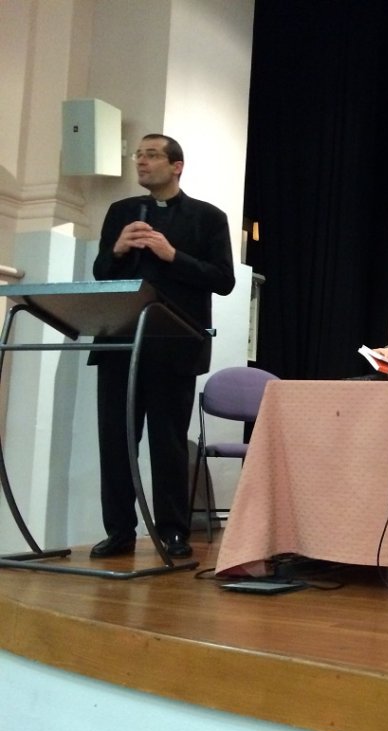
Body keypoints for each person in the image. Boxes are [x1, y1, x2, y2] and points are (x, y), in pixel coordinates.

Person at [88, 134, 236, 559]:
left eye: (152, 155)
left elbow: (223, 280)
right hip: (119, 342)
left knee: (168, 444)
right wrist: (117, 249)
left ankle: (173, 532)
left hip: (173, 346)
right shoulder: (120, 212)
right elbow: (101, 273)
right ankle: (119, 532)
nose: (142, 162)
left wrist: (172, 255)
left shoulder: (208, 218)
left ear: (177, 166)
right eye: (139, 155)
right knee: (115, 442)